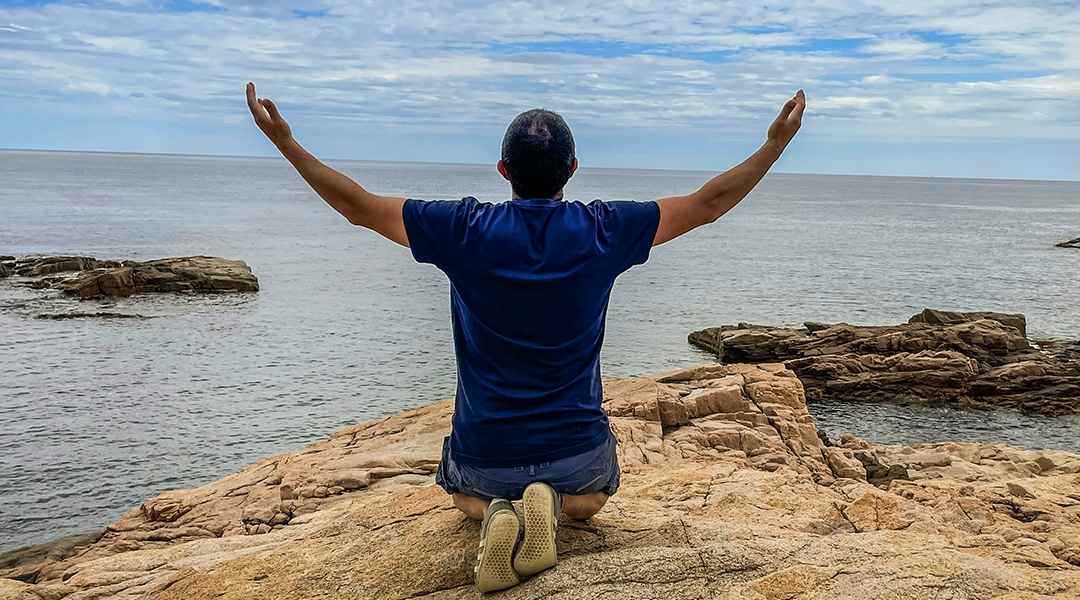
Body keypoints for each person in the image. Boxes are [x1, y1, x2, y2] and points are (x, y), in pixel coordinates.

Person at [246, 82, 805, 592]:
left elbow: (357, 207)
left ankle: (495, 513)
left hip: (486, 449)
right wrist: (773, 146)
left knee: (461, 492)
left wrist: (288, 143)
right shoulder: (604, 229)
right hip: (576, 450)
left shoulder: (462, 229)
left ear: (503, 170)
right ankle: (553, 507)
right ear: (572, 168)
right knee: (592, 499)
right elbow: (707, 205)